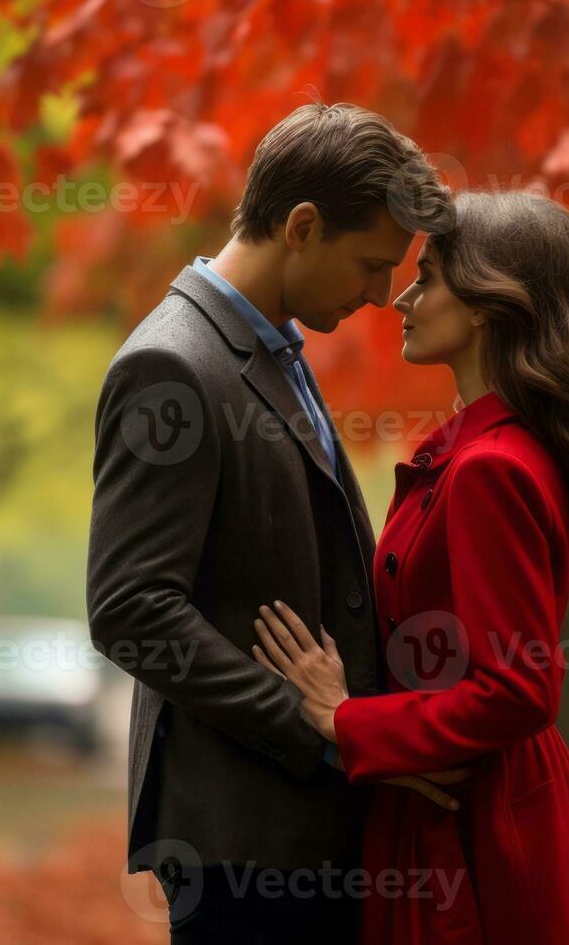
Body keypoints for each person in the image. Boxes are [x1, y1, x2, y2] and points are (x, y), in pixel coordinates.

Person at [86, 100, 455, 944]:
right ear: (300, 225)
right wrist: (323, 734)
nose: (377, 295)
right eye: (369, 265)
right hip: (243, 840)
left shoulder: (266, 347)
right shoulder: (171, 365)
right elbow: (131, 611)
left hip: (294, 834)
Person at [253, 190, 569, 944]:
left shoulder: (488, 469)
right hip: (451, 801)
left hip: (484, 829)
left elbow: (518, 688)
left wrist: (345, 720)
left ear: (491, 304)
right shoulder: (474, 452)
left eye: (427, 276)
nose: (401, 295)